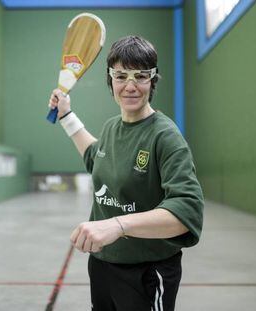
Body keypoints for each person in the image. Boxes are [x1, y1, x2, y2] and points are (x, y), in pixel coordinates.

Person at [48, 35, 204, 311]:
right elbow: (96, 159)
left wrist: (118, 225)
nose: (130, 86)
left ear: (152, 80)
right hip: (103, 265)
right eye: (121, 76)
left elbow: (186, 211)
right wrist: (66, 116)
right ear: (111, 80)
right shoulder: (111, 127)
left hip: (147, 272)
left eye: (140, 76)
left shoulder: (165, 136)